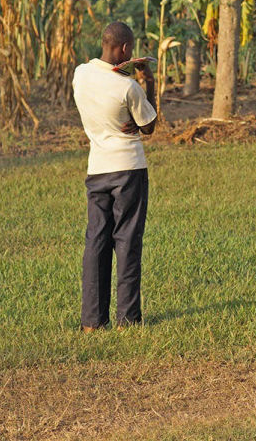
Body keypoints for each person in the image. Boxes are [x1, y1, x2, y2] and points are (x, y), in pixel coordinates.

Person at [72, 22, 157, 331]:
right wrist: (149, 83)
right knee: (127, 241)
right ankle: (127, 320)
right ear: (124, 50)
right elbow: (148, 126)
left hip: (97, 168)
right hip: (129, 169)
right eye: (130, 50)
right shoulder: (128, 88)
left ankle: (92, 321)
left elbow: (103, 82)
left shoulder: (80, 74)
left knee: (96, 240)